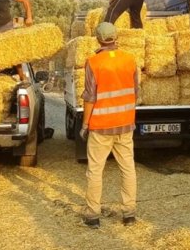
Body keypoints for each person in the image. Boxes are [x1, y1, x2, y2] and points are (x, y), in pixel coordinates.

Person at [79, 22, 139, 229]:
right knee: (128, 168)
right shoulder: (130, 59)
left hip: (101, 127)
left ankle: (93, 215)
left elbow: (89, 97)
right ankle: (129, 214)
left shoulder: (94, 62)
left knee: (95, 171)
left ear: (98, 39)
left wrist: (85, 124)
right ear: (116, 37)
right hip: (125, 124)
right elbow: (135, 91)